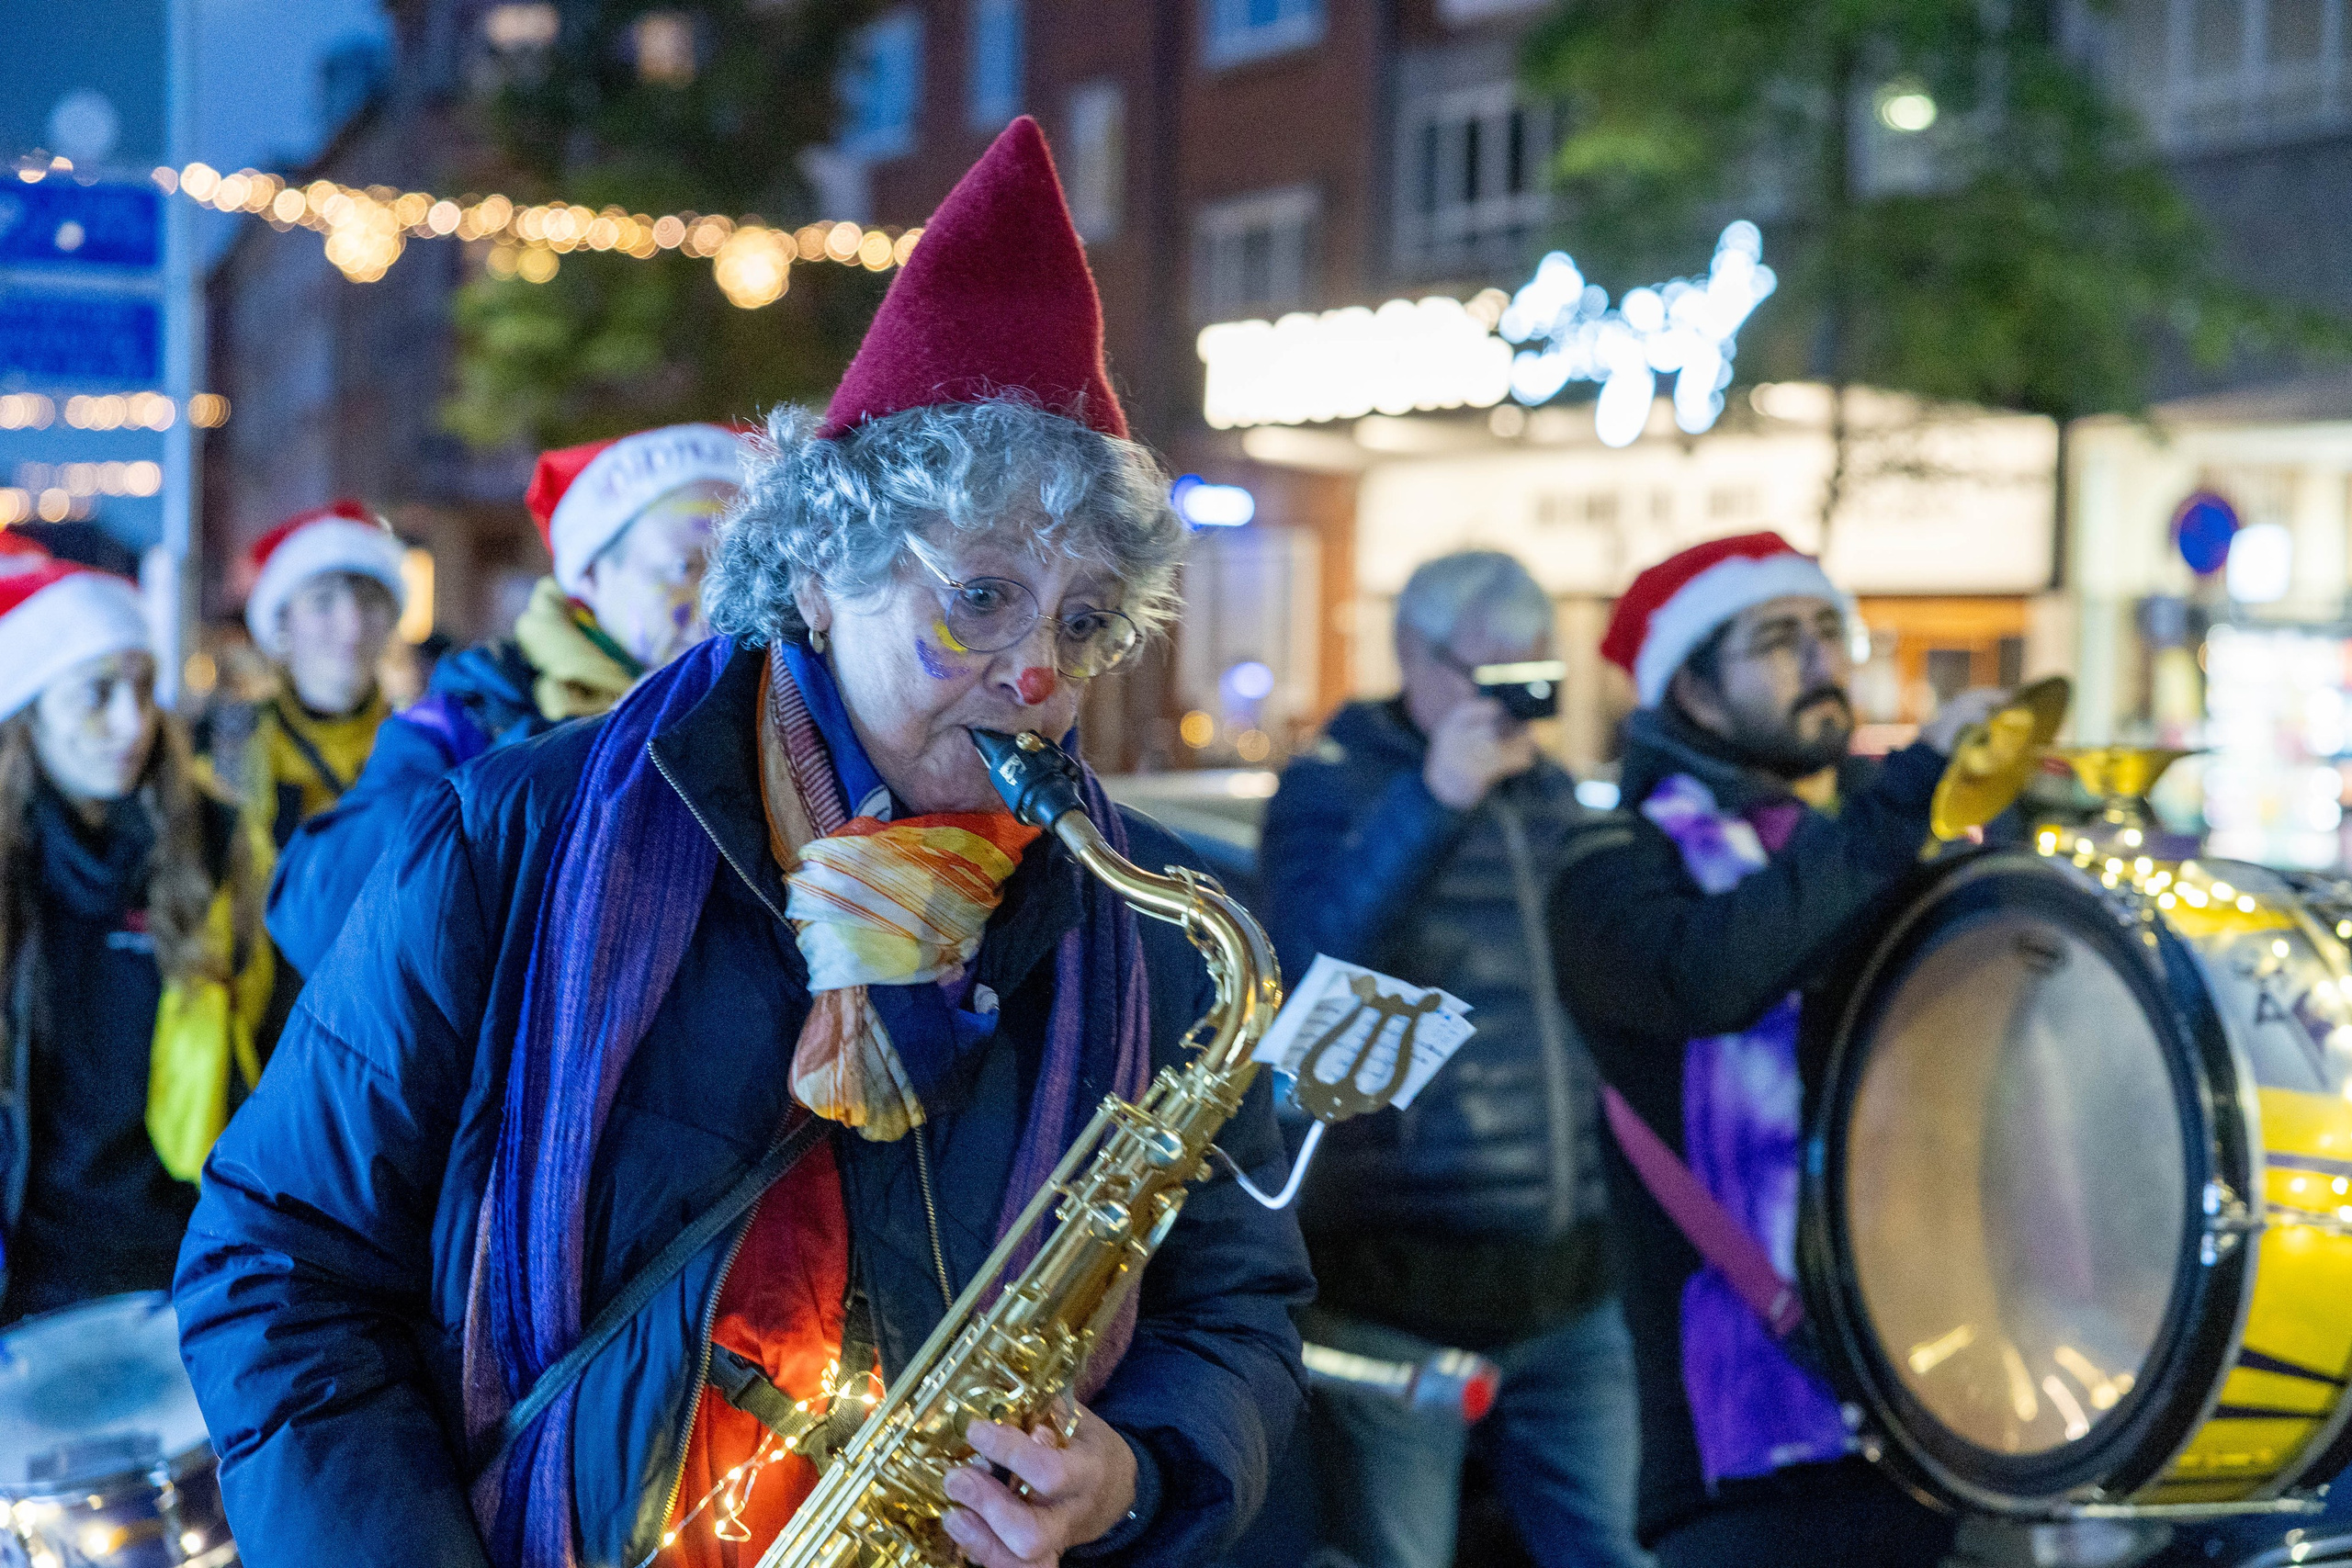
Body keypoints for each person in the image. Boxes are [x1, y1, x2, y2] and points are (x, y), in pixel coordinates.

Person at [174, 115, 1311, 1568]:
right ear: (825, 569)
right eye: (981, 596)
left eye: (1083, 620)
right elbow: (278, 1262)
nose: (1036, 672)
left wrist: (1140, 1468)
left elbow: (1236, 1315)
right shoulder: (511, 830)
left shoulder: (1145, 919)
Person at [1549, 532, 2006, 1568]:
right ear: (1694, 693)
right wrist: (1903, 806)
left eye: (1824, 633)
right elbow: (1713, 974)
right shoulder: (1610, 870)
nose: (1818, 662)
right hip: (1739, 1461)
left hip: (1934, 1413)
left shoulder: (1853, 852)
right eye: (1775, 640)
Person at [1259, 551, 1645, 1568]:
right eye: (1491, 676)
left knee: (1611, 1546)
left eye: (1535, 678)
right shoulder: (1332, 787)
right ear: (1415, 659)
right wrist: (1433, 801)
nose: (1514, 705)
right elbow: (1308, 973)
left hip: (1571, 1273)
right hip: (1396, 1284)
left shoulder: (1552, 794)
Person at [263, 422, 745, 976]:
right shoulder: (470, 722)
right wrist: (539, 778)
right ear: (587, 573)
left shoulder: (777, 720)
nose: (719, 602)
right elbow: (316, 917)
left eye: (739, 568)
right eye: (685, 567)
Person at [0, 552, 272, 1323]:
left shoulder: (215, 849)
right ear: (28, 710)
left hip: (183, 1268)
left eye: (142, 691)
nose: (132, 723)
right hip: (26, 1284)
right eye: (96, 693)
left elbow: (274, 1047)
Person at [219, 501, 409, 848]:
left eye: (369, 601)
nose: (352, 627)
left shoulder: (426, 746)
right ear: (281, 623)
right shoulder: (224, 749)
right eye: (322, 602)